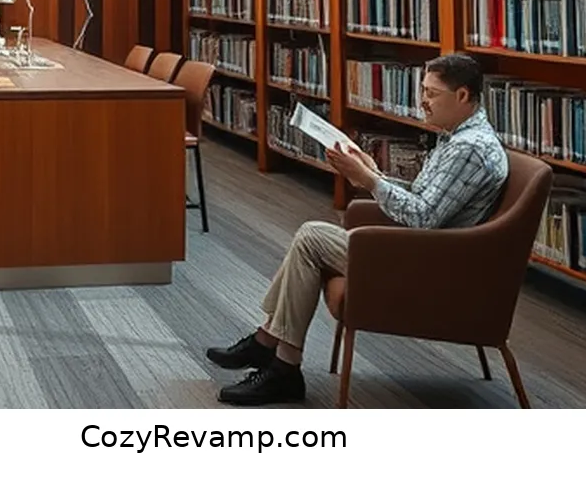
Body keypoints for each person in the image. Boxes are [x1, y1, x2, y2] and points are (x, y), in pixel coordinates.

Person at [206, 52, 508, 406]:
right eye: (423, 91)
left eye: (432, 93)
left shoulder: (469, 149)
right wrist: (373, 174)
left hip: (432, 263)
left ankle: (272, 351)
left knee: (311, 237)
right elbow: (426, 198)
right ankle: (277, 358)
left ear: (463, 96)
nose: (423, 102)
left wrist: (366, 179)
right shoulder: (458, 136)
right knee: (311, 241)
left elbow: (424, 216)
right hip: (424, 248)